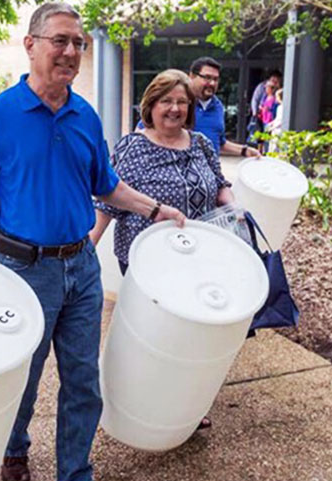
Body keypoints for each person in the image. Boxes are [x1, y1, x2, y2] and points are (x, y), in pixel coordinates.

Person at [0, 4, 185, 481]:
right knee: (21, 374)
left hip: (81, 267)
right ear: (31, 45)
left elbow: (106, 185)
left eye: (78, 43)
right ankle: (13, 450)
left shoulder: (86, 115)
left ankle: (75, 480)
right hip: (21, 269)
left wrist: (155, 209)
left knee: (83, 378)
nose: (70, 51)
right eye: (60, 40)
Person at [90, 69, 235, 431]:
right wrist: (86, 249)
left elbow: (220, 185)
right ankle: (137, 402)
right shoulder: (133, 147)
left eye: (182, 102)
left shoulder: (201, 143)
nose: (174, 108)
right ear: (150, 105)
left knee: (192, 335)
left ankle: (183, 405)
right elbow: (108, 202)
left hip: (198, 259)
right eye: (166, 101)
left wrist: (235, 212)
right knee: (154, 336)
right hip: (148, 262)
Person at [137, 57, 259, 159]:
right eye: (207, 77)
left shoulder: (218, 107)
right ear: (191, 76)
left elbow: (219, 142)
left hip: (210, 174)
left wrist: (244, 150)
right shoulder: (178, 108)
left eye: (215, 79)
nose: (212, 83)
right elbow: (141, 133)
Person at [247, 69, 282, 146]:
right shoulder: (262, 88)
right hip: (261, 117)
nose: (274, 82)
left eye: (277, 80)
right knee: (259, 134)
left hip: (270, 119)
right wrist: (255, 112)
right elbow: (255, 99)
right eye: (273, 79)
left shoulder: (277, 91)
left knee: (267, 137)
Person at [265, 88, 284, 153]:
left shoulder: (282, 107)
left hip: (278, 130)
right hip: (275, 129)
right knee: (272, 146)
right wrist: (271, 123)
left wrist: (273, 127)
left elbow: (281, 120)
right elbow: (277, 118)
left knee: (275, 148)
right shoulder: (279, 107)